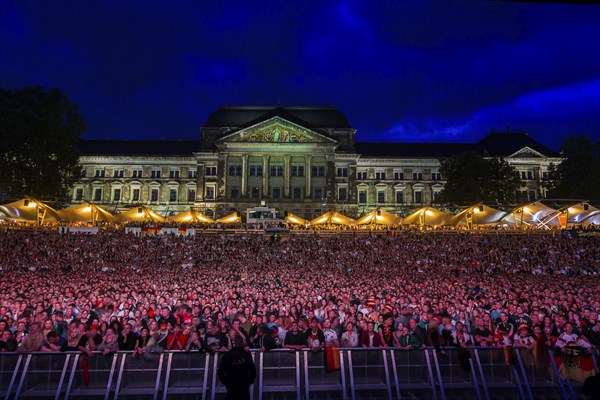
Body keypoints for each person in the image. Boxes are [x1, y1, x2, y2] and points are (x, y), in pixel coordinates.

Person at [217, 336, 256, 400]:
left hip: (231, 385)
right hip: (244, 385)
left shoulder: (228, 355)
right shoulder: (246, 355)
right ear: (242, 343)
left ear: (234, 343)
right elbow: (252, 370)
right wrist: (249, 381)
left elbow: (220, 372)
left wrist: (226, 383)